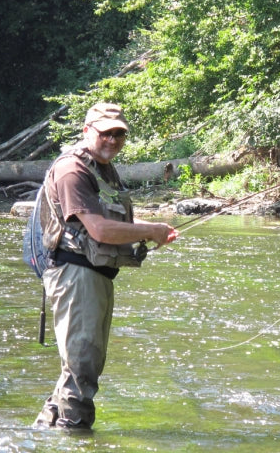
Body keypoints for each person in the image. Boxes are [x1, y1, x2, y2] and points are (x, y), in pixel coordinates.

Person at [33, 102, 178, 430]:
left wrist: (156, 229)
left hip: (93, 276)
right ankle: (74, 444)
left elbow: (106, 220)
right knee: (82, 366)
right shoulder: (73, 170)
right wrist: (149, 231)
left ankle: (48, 434)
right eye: (106, 133)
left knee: (81, 365)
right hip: (75, 276)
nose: (113, 140)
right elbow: (99, 230)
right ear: (87, 132)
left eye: (119, 134)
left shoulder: (102, 168)